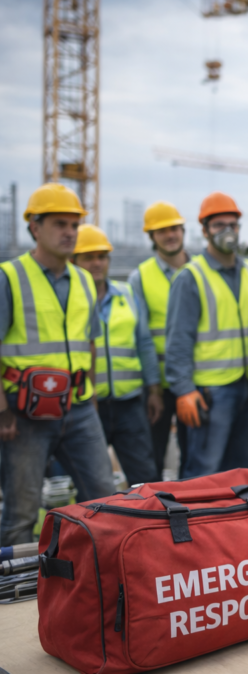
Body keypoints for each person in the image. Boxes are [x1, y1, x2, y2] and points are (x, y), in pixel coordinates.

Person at [0, 183, 115, 544]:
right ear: (35, 227)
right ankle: (14, 597)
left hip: (80, 410)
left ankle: (101, 580)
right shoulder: (10, 278)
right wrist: (2, 409)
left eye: (74, 225)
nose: (69, 232)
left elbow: (90, 343)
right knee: (22, 510)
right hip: (24, 414)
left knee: (105, 500)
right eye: (60, 224)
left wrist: (92, 397)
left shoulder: (83, 279)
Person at [165, 192, 248, 477]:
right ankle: (195, 523)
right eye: (219, 225)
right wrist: (184, 390)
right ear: (205, 230)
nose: (227, 231)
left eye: (232, 224)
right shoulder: (191, 277)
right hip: (210, 394)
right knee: (203, 473)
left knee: (241, 472)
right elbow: (179, 340)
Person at [72, 225, 161, 486]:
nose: (96, 263)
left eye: (102, 257)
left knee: (146, 480)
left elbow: (144, 343)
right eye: (89, 257)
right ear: (74, 261)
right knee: (89, 484)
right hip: (86, 406)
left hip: (130, 404)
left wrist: (154, 390)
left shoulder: (127, 294)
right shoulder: (69, 299)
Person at [128, 201, 190, 479]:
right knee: (151, 460)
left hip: (194, 385)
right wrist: (153, 389)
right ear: (151, 237)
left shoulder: (200, 271)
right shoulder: (140, 278)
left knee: (196, 462)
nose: (170, 235)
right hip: (159, 388)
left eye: (175, 228)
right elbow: (142, 338)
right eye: (162, 230)